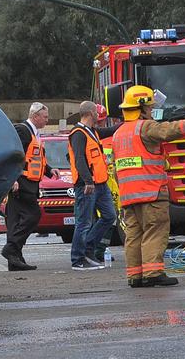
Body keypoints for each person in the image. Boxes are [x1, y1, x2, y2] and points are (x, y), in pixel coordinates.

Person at [111, 84, 185, 288]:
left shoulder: (119, 133)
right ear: (142, 107)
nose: (152, 111)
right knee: (156, 231)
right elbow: (169, 131)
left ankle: (135, 275)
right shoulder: (145, 127)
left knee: (134, 235)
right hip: (151, 192)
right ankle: (153, 272)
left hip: (129, 196)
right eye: (150, 107)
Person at [1, 102, 56, 271]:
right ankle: (11, 249)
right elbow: (13, 155)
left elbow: (33, 158)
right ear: (35, 116)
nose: (47, 120)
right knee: (33, 215)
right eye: (45, 117)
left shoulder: (34, 133)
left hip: (29, 183)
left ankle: (14, 260)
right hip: (22, 184)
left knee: (15, 221)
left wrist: (49, 170)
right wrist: (13, 179)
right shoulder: (23, 130)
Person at [67, 101, 117, 270]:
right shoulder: (78, 133)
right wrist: (88, 180)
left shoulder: (92, 131)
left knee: (109, 216)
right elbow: (80, 159)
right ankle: (78, 259)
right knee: (83, 222)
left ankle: (88, 249)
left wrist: (130, 122)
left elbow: (110, 131)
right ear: (89, 113)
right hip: (87, 185)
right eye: (96, 112)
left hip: (100, 184)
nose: (98, 115)